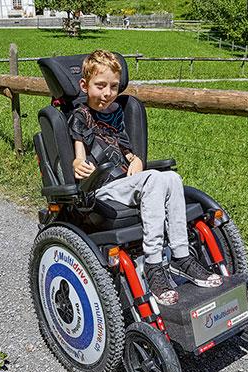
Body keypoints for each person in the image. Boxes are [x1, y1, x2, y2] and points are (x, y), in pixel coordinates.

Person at [68, 50, 223, 306]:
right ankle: (153, 264)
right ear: (84, 86)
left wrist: (135, 158)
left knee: (171, 178)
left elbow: (123, 147)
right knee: (154, 178)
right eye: (100, 86)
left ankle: (181, 256)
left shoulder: (116, 114)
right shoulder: (80, 115)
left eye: (113, 87)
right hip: (100, 188)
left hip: (123, 182)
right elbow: (79, 152)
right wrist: (77, 162)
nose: (107, 93)